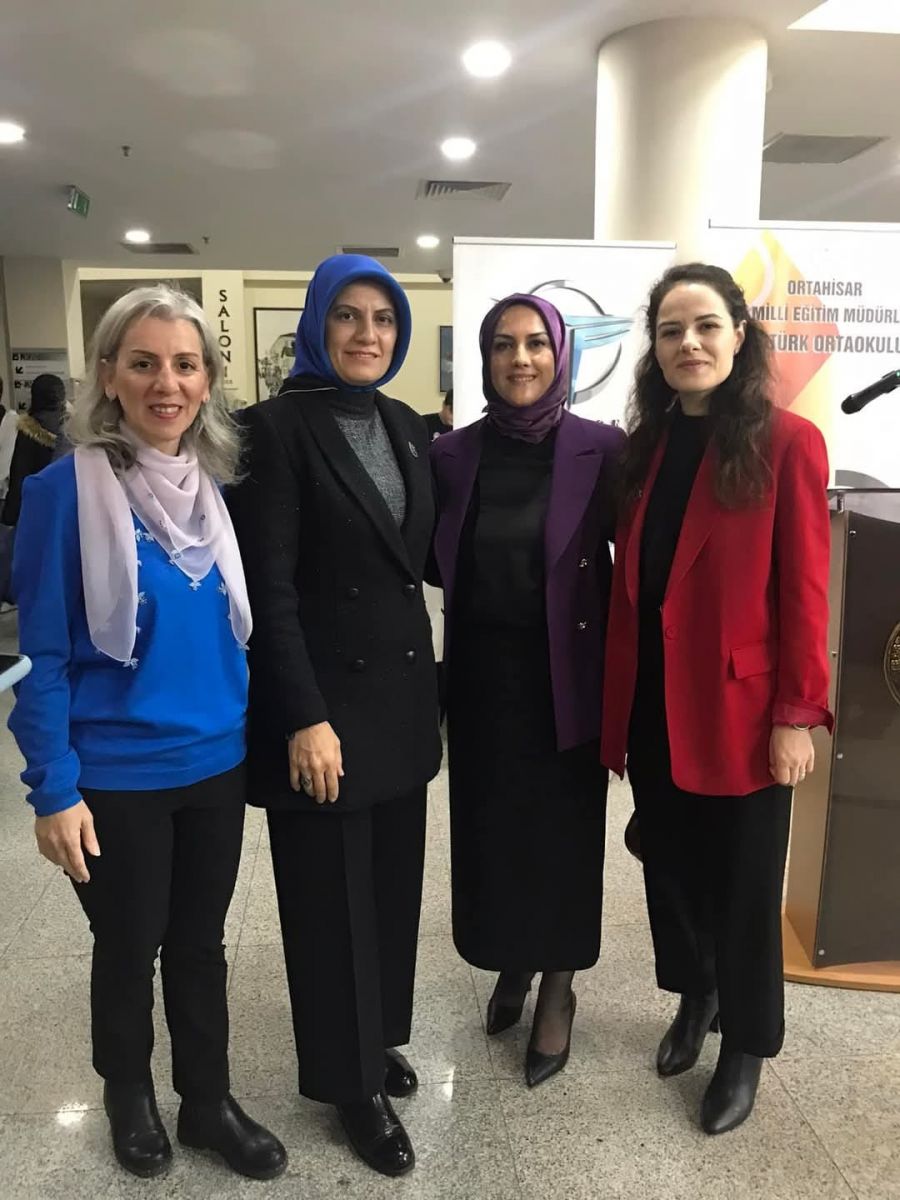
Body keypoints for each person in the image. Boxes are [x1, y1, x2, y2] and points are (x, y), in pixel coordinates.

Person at [8, 285, 287, 1182]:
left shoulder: (216, 491)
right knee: (129, 946)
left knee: (200, 945)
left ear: (207, 381)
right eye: (144, 363)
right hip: (115, 773)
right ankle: (128, 1093)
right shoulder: (63, 491)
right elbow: (42, 656)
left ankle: (207, 1101)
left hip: (215, 763)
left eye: (185, 364)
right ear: (108, 376)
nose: (166, 383)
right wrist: (53, 788)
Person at [601, 263, 832, 1135]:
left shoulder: (787, 443)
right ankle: (695, 993)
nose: (688, 343)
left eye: (705, 326)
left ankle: (747, 1043)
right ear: (655, 349)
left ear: (739, 335)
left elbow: (805, 591)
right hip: (654, 702)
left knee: (741, 884)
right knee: (669, 866)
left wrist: (797, 714)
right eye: (671, 331)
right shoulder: (646, 448)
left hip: (743, 708)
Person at [228, 254, 441, 1177]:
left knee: (388, 892)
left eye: (383, 319)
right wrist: (302, 717)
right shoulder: (270, 430)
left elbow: (414, 559)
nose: (367, 333)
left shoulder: (404, 424)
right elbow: (267, 591)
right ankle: (348, 1087)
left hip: (400, 703)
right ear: (316, 323)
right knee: (330, 907)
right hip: (322, 713)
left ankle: (376, 1038)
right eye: (348, 315)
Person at [430, 294, 624, 1087]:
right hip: (483, 681)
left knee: (563, 841)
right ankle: (511, 959)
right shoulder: (451, 454)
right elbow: (428, 558)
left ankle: (558, 990)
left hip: (567, 680)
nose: (521, 358)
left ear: (561, 354)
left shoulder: (601, 449)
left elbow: (636, 562)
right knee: (495, 835)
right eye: (503, 344)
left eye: (536, 343)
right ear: (484, 358)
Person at [2, 373, 66, 523]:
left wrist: (9, 518)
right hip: (68, 509)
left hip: (36, 510)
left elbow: (19, 478)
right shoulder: (75, 431)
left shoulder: (28, 432)